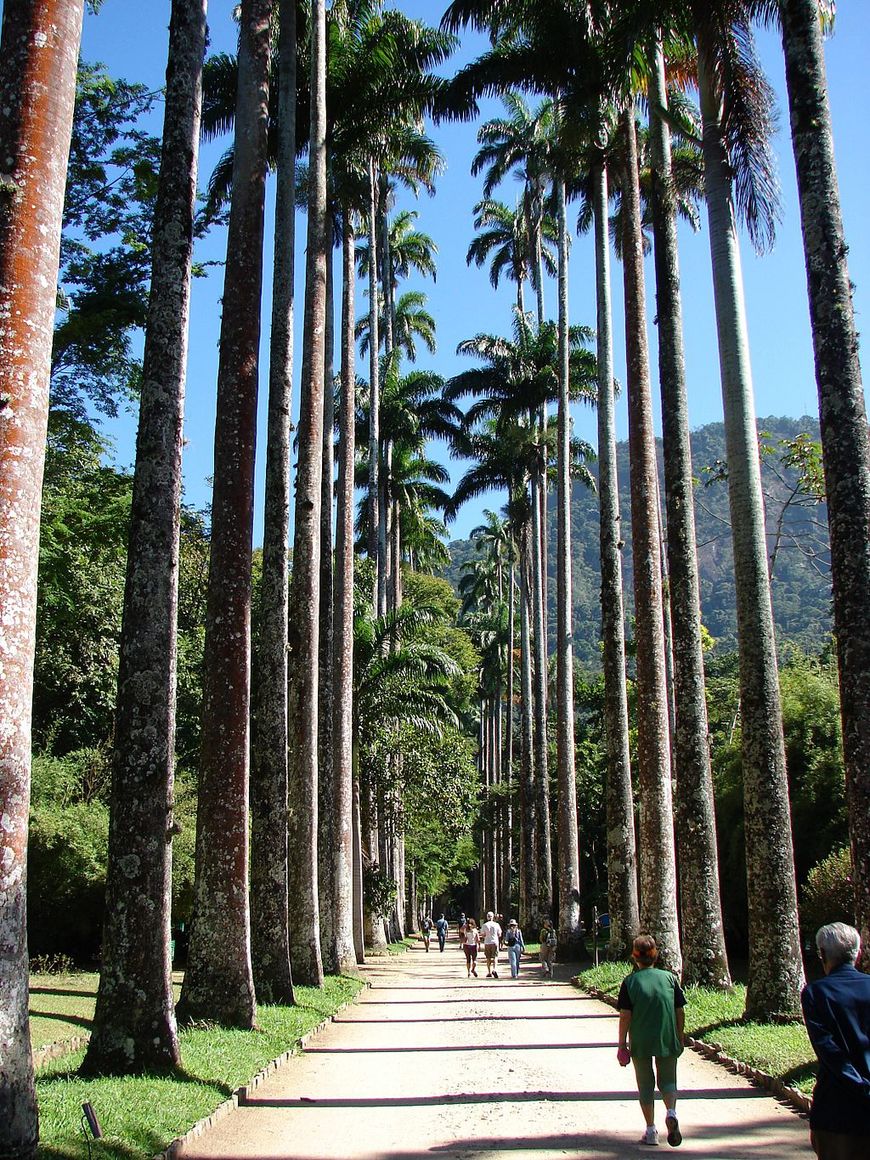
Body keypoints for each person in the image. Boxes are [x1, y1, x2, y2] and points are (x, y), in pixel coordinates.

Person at [801, 922, 870, 1160]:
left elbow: (827, 1048)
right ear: (857, 952)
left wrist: (859, 1084)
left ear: (822, 954)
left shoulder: (815, 993)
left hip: (836, 1107)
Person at [617, 934, 686, 1148]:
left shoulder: (630, 982)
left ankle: (651, 1131)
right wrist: (679, 1034)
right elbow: (680, 1009)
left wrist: (621, 1044)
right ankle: (671, 1112)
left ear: (634, 956)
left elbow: (625, 1015)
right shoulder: (669, 978)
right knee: (668, 1080)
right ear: (655, 955)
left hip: (641, 1039)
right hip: (667, 1036)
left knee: (645, 1084)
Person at [481, 910, 503, 978]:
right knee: (495, 957)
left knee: (488, 958)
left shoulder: (484, 925)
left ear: (487, 917)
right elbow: (499, 934)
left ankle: (489, 972)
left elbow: (483, 935)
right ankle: (494, 969)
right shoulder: (496, 925)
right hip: (495, 942)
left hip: (487, 942)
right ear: (493, 917)